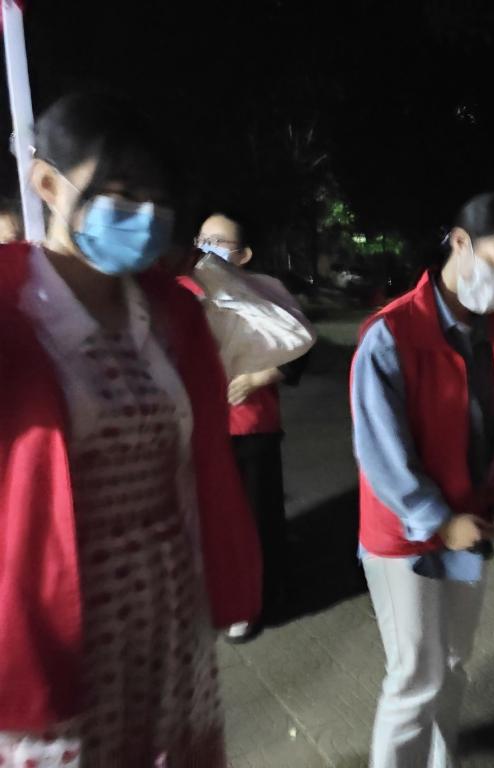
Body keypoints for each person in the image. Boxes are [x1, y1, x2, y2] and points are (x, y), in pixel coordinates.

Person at [0, 92, 260, 767]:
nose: (144, 217)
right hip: (54, 622)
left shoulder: (171, 314)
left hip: (169, 608)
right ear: (47, 183)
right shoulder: (11, 312)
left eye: (157, 199)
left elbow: (200, 460)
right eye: (119, 193)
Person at [350, 192, 494, 767]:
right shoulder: (391, 333)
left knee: (453, 661)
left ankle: (442, 759)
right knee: (415, 675)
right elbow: (382, 452)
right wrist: (438, 519)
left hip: (469, 525)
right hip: (405, 535)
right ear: (460, 242)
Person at [186, 210, 316, 641]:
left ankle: (259, 598)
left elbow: (300, 350)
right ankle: (220, 594)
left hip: (252, 427)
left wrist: (257, 378)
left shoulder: (267, 290)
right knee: (211, 520)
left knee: (258, 519)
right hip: (201, 430)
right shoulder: (187, 288)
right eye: (202, 239)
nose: (207, 248)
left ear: (243, 254)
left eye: (218, 242)